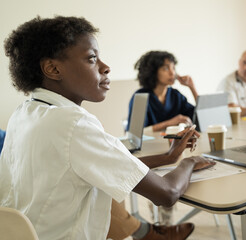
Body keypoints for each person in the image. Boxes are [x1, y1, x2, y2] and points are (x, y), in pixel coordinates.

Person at [0, 16, 215, 240]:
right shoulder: (74, 124)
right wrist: (190, 162)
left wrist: (168, 157)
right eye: (92, 59)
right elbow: (167, 193)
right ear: (53, 69)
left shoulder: (24, 113)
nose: (106, 67)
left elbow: (106, 163)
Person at [127, 51, 198, 132]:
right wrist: (169, 123)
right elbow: (135, 133)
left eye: (173, 68)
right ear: (153, 72)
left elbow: (198, 116)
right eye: (166, 68)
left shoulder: (175, 95)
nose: (172, 73)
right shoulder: (140, 96)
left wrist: (192, 87)